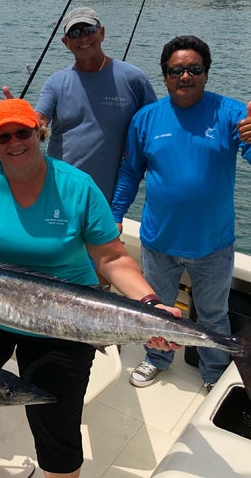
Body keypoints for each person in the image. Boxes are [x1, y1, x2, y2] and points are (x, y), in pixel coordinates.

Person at [0, 98, 180, 478]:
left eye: (22, 133)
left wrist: (149, 303)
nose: (14, 142)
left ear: (39, 133)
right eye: (3, 136)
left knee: (55, 426)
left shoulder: (77, 187)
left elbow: (111, 258)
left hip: (64, 318)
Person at [112, 35, 251, 392]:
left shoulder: (232, 113)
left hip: (213, 244)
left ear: (206, 73)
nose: (185, 77)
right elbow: (130, 173)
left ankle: (214, 370)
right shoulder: (146, 119)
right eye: (176, 70)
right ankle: (157, 358)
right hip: (160, 241)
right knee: (156, 310)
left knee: (213, 314)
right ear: (165, 76)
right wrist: (115, 215)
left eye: (194, 69)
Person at [5, 6, 156, 204]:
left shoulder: (134, 79)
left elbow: (155, 129)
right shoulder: (55, 82)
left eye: (90, 30)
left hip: (110, 196)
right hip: (60, 189)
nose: (83, 38)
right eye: (74, 33)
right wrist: (16, 119)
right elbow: (38, 123)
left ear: (102, 32)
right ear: (65, 42)